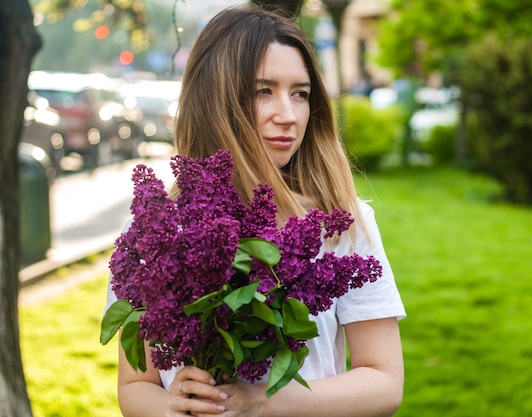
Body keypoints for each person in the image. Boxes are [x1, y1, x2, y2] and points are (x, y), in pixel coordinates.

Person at [105, 4, 405, 416]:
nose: (289, 115)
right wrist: (172, 407)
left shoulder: (342, 225)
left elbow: (385, 382)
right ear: (215, 101)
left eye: (300, 93)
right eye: (264, 91)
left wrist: (264, 401)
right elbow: (135, 385)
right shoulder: (156, 232)